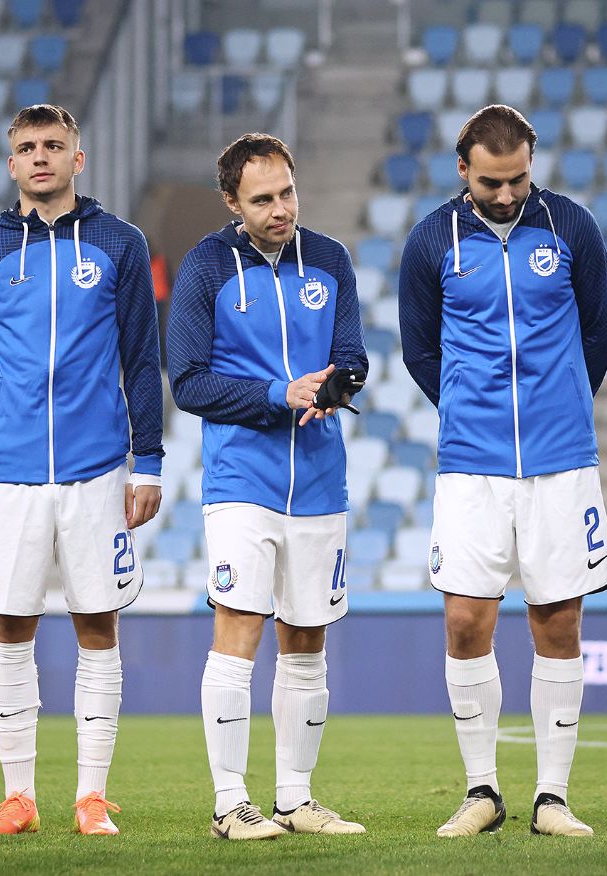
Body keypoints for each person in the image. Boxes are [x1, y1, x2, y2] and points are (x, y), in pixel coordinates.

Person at [0, 104, 164, 837]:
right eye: (28, 147)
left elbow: (142, 360)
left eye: (54, 146)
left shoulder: (119, 243)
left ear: (78, 157)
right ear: (11, 163)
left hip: (97, 470)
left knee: (97, 624)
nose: (41, 157)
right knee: (11, 627)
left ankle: (91, 797)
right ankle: (19, 798)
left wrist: (148, 461)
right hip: (7, 474)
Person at [398, 104, 607, 839]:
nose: (505, 194)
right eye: (491, 182)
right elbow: (420, 350)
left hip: (562, 459)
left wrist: (561, 402)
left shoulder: (571, 226)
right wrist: (470, 406)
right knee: (466, 620)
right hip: (472, 462)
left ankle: (552, 797)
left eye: (518, 179)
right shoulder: (432, 239)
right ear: (463, 170)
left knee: (559, 619)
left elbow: (600, 331)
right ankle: (482, 791)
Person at [167, 133, 369, 841]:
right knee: (240, 629)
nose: (280, 209)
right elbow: (188, 382)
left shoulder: (332, 259)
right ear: (232, 202)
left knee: (307, 639)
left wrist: (336, 387)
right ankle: (230, 804)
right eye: (262, 200)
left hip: (319, 481)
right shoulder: (204, 266)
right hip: (241, 480)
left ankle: (295, 800)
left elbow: (353, 357)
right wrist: (278, 394)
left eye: (287, 192)